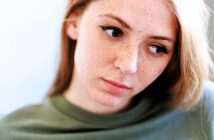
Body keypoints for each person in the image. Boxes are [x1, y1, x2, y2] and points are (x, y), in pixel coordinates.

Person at [0, 0, 214, 139]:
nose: (128, 66)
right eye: (113, 31)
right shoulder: (11, 133)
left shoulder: (204, 112)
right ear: (74, 22)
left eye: (157, 48)